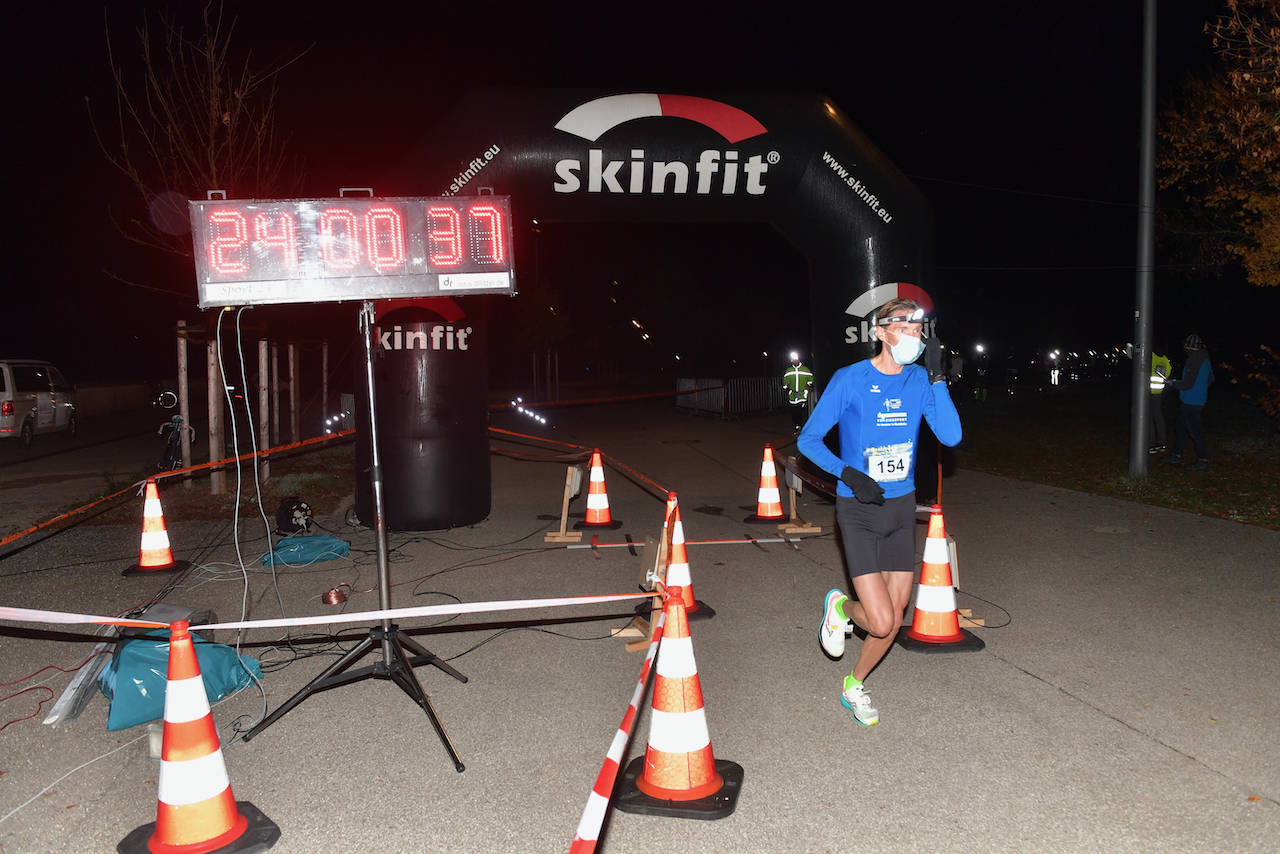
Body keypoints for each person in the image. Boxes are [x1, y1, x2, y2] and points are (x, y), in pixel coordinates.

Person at [796, 298, 962, 725]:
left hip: (900, 510)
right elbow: (808, 440)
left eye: (918, 329)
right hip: (860, 510)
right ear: (881, 332)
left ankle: (854, 685)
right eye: (905, 327)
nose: (914, 337)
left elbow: (951, 434)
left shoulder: (919, 381)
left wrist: (939, 378)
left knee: (890, 623)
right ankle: (840, 609)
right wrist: (849, 474)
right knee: (881, 619)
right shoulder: (850, 380)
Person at [1159, 334, 1215, 471]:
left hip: (1191, 401)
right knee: (1181, 429)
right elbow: (1211, 378)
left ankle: (1203, 460)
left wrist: (1170, 382)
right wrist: (1200, 389)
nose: (1184, 348)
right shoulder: (1205, 359)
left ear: (1190, 347)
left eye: (1186, 345)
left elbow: (1187, 385)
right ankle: (1176, 455)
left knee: (1195, 432)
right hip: (1196, 400)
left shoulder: (1193, 360)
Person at [1148, 343, 1171, 455]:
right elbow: (1168, 372)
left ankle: (1151, 444)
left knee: (1148, 418)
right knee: (1158, 416)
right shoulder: (1165, 360)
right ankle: (1161, 443)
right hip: (1159, 391)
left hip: (1148, 391)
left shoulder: (1151, 356)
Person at [782, 352, 814, 431]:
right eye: (793, 360)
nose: (795, 361)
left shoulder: (805, 369)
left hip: (803, 393)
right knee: (794, 410)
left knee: (801, 409)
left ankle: (803, 426)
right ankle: (797, 425)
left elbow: (811, 378)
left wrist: (808, 384)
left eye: (796, 360)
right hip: (793, 394)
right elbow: (785, 381)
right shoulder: (789, 370)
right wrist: (786, 385)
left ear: (799, 360)